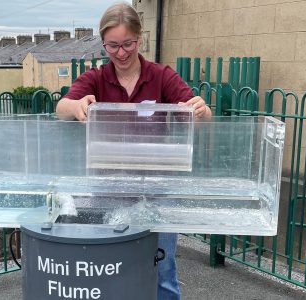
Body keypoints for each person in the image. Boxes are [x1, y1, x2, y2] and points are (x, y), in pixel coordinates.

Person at [56, 2, 212, 299]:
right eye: (112, 45)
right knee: (110, 268)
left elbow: (200, 116)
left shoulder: (161, 76)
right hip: (107, 191)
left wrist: (200, 110)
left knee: (162, 271)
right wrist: (75, 105)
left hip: (157, 192)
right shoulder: (96, 78)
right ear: (103, 44)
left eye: (127, 43)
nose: (121, 53)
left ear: (140, 40)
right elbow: (60, 108)